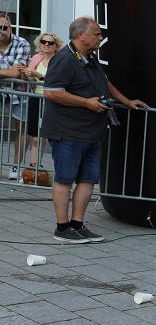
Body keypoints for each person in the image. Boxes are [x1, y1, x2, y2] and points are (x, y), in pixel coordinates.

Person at [42, 17, 149, 243]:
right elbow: (51, 92)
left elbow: (105, 83)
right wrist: (86, 103)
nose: (100, 37)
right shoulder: (64, 59)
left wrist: (126, 101)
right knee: (64, 179)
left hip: (92, 131)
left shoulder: (91, 57)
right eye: (97, 34)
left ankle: (77, 225)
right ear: (81, 35)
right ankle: (62, 229)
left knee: (88, 179)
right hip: (68, 131)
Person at [21, 31, 64, 179]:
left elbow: (56, 81)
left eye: (50, 43)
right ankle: (33, 166)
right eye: (43, 42)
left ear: (55, 45)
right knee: (34, 135)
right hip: (36, 98)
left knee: (44, 136)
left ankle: (38, 165)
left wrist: (38, 75)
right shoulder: (36, 58)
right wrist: (26, 73)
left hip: (51, 100)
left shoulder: (58, 60)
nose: (46, 45)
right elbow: (29, 79)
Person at [0, 14, 33, 179]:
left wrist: (10, 73)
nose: (1, 31)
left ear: (10, 29)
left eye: (4, 28)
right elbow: (11, 71)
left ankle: (15, 166)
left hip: (20, 90)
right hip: (1, 89)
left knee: (22, 129)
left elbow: (15, 72)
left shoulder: (22, 43)